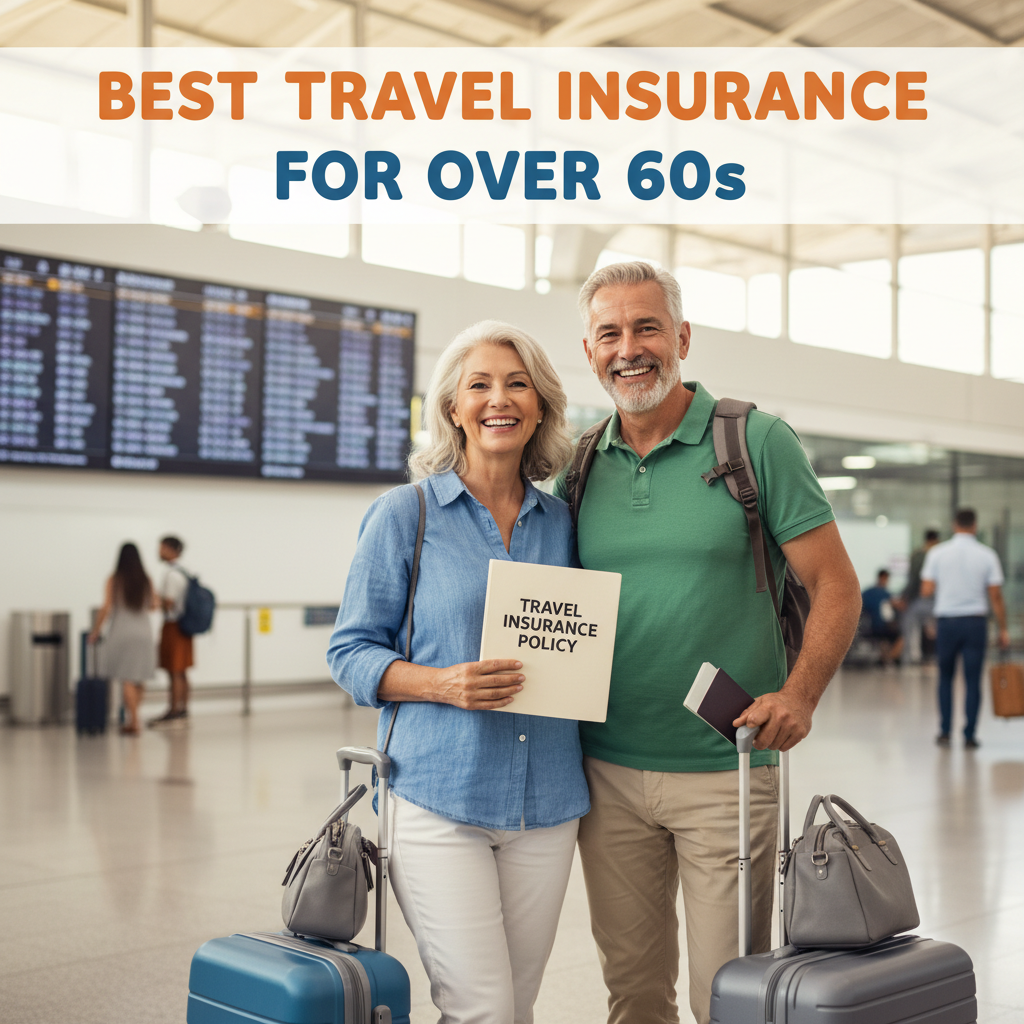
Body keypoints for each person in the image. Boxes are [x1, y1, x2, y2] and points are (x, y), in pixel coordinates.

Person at [553, 261, 862, 1024]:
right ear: (590, 352)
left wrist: (801, 693)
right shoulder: (580, 465)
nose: (630, 348)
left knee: (728, 995)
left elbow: (835, 585)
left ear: (682, 336)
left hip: (725, 769)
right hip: (606, 773)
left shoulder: (755, 441)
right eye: (610, 333)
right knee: (633, 992)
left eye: (648, 327)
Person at [328, 321, 587, 1024]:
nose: (498, 399)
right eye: (479, 384)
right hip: (438, 795)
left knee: (517, 1006)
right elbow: (349, 652)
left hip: (550, 803)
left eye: (516, 383)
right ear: (452, 408)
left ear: (540, 407)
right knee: (482, 1008)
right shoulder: (404, 515)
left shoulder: (566, 524)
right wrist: (442, 683)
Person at [921, 508, 1010, 749]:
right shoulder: (987, 554)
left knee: (945, 678)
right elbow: (996, 596)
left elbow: (926, 590)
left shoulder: (937, 554)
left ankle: (945, 732)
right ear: (974, 526)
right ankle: (970, 735)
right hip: (975, 623)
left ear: (954, 525)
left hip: (947, 623)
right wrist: (1003, 629)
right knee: (972, 681)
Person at [89, 542, 157, 735]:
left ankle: (134, 721)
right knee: (140, 678)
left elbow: (107, 608)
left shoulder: (114, 579)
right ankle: (134, 717)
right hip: (144, 633)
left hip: (122, 632)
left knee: (127, 678)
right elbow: (153, 605)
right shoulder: (146, 579)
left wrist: (95, 631)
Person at [148, 535, 193, 728]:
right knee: (181, 671)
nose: (159, 551)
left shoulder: (172, 575)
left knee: (174, 670)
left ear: (169, 549)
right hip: (184, 626)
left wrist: (155, 601)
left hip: (174, 626)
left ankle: (175, 711)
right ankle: (182, 709)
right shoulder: (183, 573)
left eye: (161, 548)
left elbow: (169, 603)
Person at [901, 529, 940, 664]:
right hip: (938, 600)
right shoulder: (940, 554)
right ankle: (934, 656)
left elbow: (912, 580)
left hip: (920, 599)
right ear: (936, 540)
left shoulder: (918, 555)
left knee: (911, 627)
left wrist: (906, 598)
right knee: (935, 628)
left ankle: (910, 658)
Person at [861, 569, 904, 666]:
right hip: (881, 627)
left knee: (884, 639)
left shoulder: (867, 592)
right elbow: (899, 606)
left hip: (868, 628)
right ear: (884, 578)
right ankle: (889, 658)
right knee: (901, 637)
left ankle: (884, 658)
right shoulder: (885, 594)